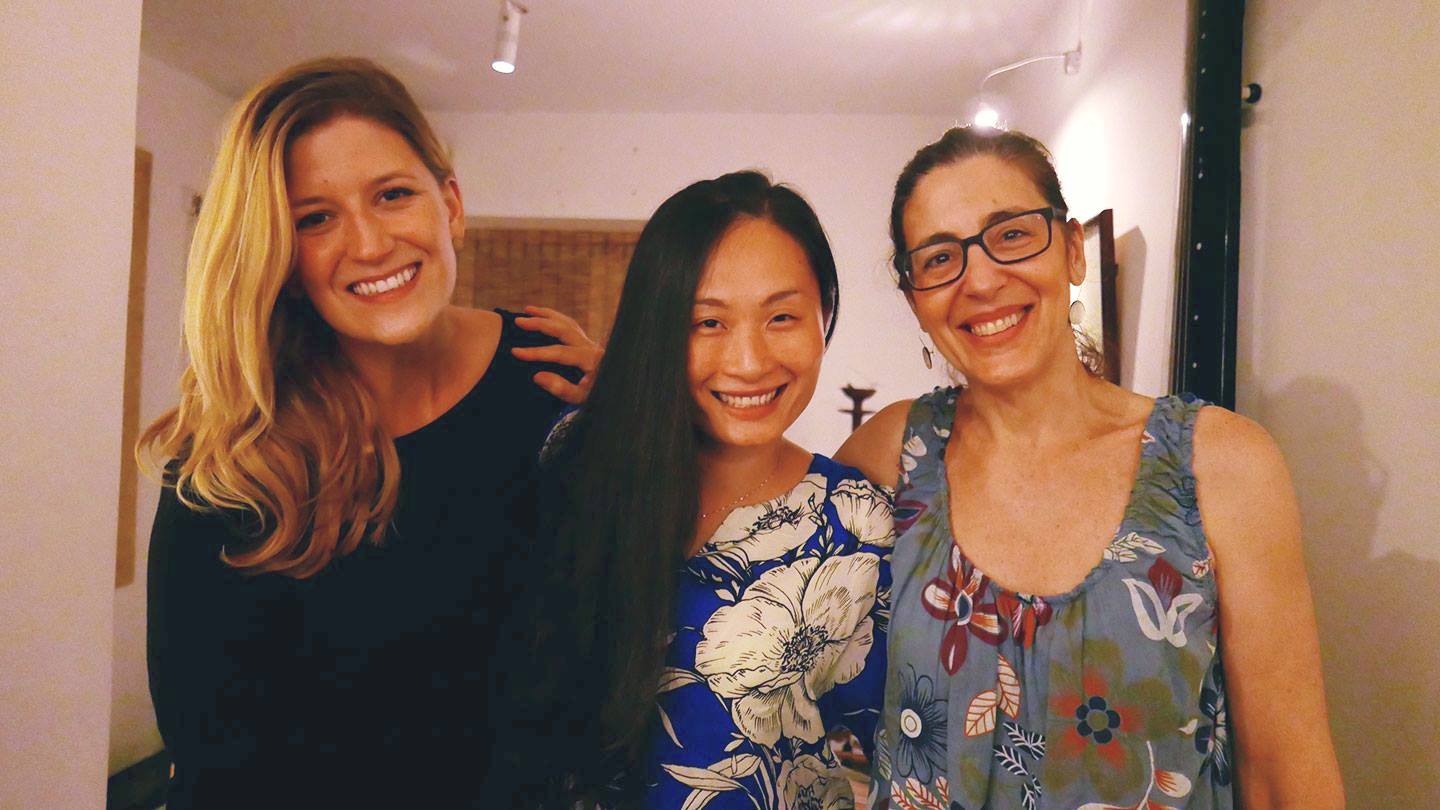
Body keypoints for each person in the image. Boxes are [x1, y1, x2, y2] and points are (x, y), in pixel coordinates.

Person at [835, 127, 1345, 809]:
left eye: (1011, 235)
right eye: (939, 258)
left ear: (1073, 250)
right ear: (915, 300)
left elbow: (1288, 776)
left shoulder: (1218, 465)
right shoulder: (892, 453)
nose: (981, 279)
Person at [138, 57, 599, 809]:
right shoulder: (233, 453)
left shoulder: (553, 382)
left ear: (449, 202)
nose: (371, 244)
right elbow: (211, 751)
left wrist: (641, 420)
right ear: (281, 255)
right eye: (315, 218)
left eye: (392, 195)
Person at [519, 172, 895, 808]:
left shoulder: (857, 523)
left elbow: (905, 751)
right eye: (706, 323)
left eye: (782, 316)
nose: (748, 361)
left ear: (822, 316)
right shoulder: (575, 459)